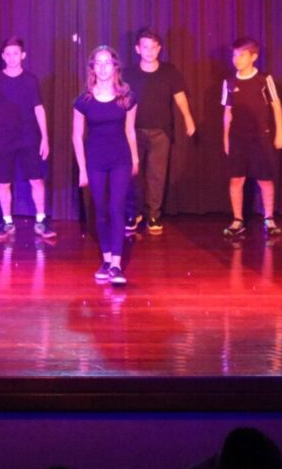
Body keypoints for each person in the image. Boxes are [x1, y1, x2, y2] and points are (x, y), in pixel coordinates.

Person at [72, 45, 138, 286]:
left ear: (115, 67)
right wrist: (82, 169)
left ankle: (117, 265)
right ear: (92, 68)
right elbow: (77, 136)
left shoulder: (127, 97)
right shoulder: (83, 101)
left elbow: (130, 131)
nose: (102, 67)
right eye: (98, 63)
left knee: (116, 207)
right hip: (95, 161)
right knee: (100, 210)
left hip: (120, 158)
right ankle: (107, 260)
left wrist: (135, 159)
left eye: (107, 62)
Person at [122, 29, 196, 235]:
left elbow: (180, 96)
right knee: (133, 174)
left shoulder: (169, 71)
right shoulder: (128, 74)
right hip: (133, 132)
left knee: (157, 176)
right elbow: (120, 99)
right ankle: (134, 213)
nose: (149, 51)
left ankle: (153, 215)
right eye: (145, 47)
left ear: (159, 49)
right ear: (137, 49)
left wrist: (188, 118)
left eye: (154, 47)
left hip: (161, 132)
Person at [0, 36, 54, 240]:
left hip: (29, 137)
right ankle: (7, 222)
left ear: (23, 55)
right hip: (3, 138)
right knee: (3, 182)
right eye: (8, 54)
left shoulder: (31, 80)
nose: (12, 57)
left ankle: (41, 220)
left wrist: (45, 138)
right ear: (3, 56)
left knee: (36, 180)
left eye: (15, 53)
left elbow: (39, 109)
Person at [221, 37, 282, 239]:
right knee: (236, 179)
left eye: (242, 55)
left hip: (261, 138)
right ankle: (237, 220)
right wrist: (226, 138)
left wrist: (280, 133)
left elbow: (276, 105)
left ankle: (269, 219)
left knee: (265, 179)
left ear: (254, 57)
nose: (237, 59)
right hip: (238, 138)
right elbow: (227, 112)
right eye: (234, 55)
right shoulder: (229, 82)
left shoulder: (264, 80)